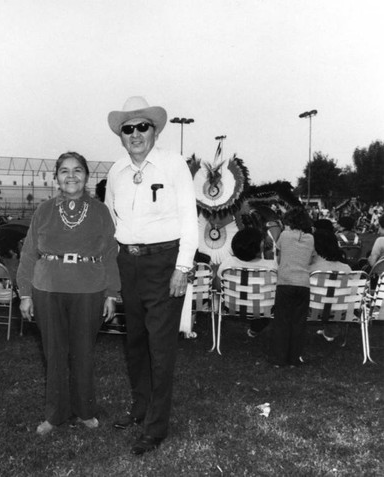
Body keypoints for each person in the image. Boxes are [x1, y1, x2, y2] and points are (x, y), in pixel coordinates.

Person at [105, 96, 198, 455]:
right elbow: (113, 221)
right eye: (128, 129)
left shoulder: (174, 165)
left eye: (142, 126)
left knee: (160, 347)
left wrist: (183, 268)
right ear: (121, 136)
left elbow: (190, 219)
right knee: (135, 343)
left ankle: (156, 426)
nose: (135, 134)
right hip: (128, 263)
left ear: (154, 130)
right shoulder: (116, 171)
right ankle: (141, 407)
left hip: (164, 262)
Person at [17, 152, 120, 436]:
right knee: (54, 353)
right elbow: (28, 253)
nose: (71, 176)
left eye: (77, 170)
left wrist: (112, 293)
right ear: (56, 177)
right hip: (47, 288)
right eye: (64, 171)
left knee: (83, 352)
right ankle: (55, 414)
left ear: (87, 176)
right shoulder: (44, 210)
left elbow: (111, 254)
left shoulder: (100, 211)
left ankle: (85, 410)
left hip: (89, 289)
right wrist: (25, 293)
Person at [269, 207, 315, 367]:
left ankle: (280, 359)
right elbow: (310, 260)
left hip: (285, 282)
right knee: (298, 323)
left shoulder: (284, 236)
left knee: (282, 321)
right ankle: (294, 359)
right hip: (303, 284)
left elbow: (280, 259)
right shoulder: (310, 238)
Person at [218, 227, 278, 337]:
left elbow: (219, 281)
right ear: (260, 246)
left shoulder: (228, 263)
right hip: (263, 309)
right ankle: (255, 329)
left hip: (232, 307)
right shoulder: (271, 267)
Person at [309, 229, 352, 341]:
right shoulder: (346, 268)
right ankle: (330, 330)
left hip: (314, 311)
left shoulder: (311, 269)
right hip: (340, 312)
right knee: (333, 297)